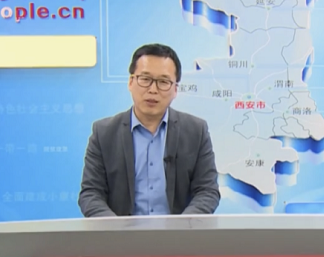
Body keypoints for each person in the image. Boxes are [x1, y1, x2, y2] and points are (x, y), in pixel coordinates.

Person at [78, 43, 221, 217]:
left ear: (175, 89)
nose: (153, 90)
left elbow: (207, 191)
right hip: (120, 233)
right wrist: (116, 229)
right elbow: (91, 194)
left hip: (179, 233)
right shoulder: (103, 133)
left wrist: (182, 227)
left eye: (163, 82)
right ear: (131, 82)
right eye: (145, 79)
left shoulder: (196, 131)